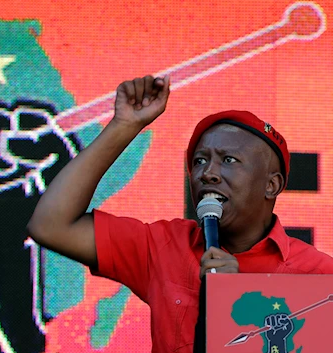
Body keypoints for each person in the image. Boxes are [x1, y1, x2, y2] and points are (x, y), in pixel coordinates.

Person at [26, 75, 333, 353]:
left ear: (271, 185)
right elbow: (51, 225)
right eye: (199, 161)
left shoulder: (320, 276)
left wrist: (243, 298)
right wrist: (124, 126)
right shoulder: (165, 245)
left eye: (228, 159)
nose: (208, 173)